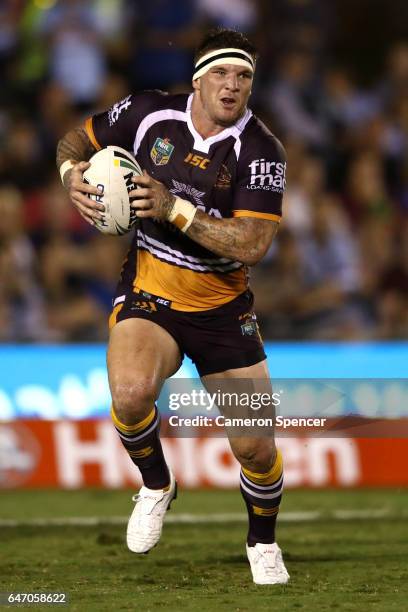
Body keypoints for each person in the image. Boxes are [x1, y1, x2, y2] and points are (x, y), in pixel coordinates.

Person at [57, 28, 289, 586]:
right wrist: (72, 178)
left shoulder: (260, 151)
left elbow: (253, 244)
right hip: (151, 290)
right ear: (198, 78)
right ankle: (157, 483)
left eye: (244, 77)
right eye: (221, 73)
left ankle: (262, 543)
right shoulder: (145, 115)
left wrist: (173, 207)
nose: (232, 86)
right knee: (131, 394)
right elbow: (74, 141)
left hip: (222, 306)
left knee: (255, 447)